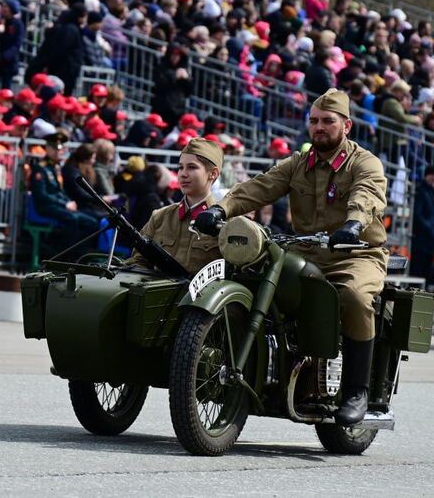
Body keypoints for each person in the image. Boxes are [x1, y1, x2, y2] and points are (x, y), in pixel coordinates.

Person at [196, 88, 387, 426]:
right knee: (250, 279)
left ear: (347, 126)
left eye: (328, 121)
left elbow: (367, 195)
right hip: (304, 251)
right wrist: (219, 209)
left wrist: (354, 224)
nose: (319, 127)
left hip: (355, 253)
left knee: (355, 298)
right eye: (313, 121)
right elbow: (258, 187)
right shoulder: (298, 163)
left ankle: (357, 390)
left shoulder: (364, 162)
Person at [127, 138, 223, 274]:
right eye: (180, 167)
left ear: (213, 174)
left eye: (192, 167)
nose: (183, 174)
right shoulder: (160, 217)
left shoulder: (224, 224)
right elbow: (138, 261)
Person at [29, 131, 100, 257]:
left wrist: (69, 201)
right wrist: (65, 204)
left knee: (92, 221)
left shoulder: (56, 168)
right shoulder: (40, 168)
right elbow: (42, 195)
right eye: (55, 149)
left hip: (58, 205)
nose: (58, 152)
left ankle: (80, 253)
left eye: (60, 149)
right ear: (47, 149)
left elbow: (60, 191)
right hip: (45, 206)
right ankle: (64, 255)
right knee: (72, 218)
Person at [410, 165, 434, 283]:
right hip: (422, 241)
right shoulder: (421, 191)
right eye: (432, 175)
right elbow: (417, 215)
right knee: (418, 273)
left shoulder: (433, 193)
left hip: (431, 240)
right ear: (426, 176)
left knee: (428, 273)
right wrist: (429, 228)